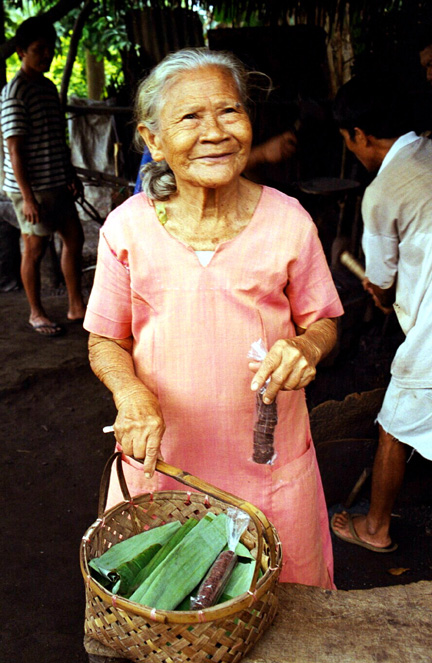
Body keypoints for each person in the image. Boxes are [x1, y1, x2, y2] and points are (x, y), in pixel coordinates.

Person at [84, 48, 343, 588]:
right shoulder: (127, 229)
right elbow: (106, 340)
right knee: (167, 608)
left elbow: (323, 320)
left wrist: (307, 347)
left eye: (229, 111)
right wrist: (130, 395)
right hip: (164, 461)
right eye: (190, 117)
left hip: (268, 462)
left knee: (284, 612)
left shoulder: (288, 221)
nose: (216, 132)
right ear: (153, 140)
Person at [331, 74, 432, 552]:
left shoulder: (383, 189)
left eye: (349, 142)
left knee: (394, 424)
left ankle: (375, 528)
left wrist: (378, 291)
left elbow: (383, 279)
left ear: (360, 136)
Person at [1, 16, 86, 336]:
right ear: (21, 51)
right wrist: (27, 198)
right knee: (34, 248)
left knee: (74, 238)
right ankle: (36, 312)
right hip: (32, 188)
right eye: (39, 49)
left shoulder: (48, 89)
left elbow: (56, 139)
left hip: (57, 182)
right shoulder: (15, 93)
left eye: (50, 49)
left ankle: (75, 304)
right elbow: (14, 150)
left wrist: (70, 174)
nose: (46, 55)